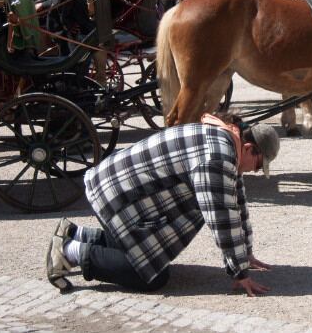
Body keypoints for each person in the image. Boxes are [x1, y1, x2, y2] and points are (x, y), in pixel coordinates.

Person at [46, 112, 280, 295]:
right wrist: (240, 272)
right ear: (249, 148)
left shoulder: (227, 138)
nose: (256, 171)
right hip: (118, 198)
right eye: (259, 166)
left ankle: (76, 234)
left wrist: (246, 253)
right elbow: (221, 216)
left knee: (147, 255)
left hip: (116, 191)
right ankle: (70, 251)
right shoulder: (217, 157)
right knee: (152, 277)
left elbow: (236, 204)